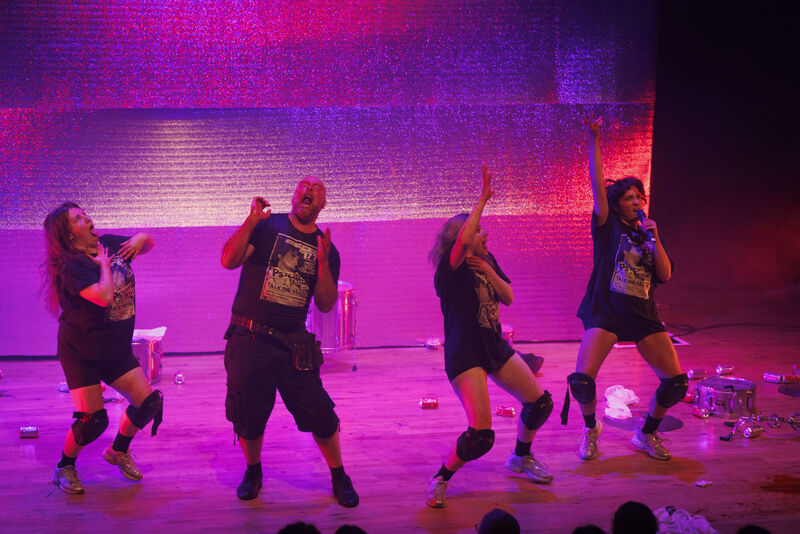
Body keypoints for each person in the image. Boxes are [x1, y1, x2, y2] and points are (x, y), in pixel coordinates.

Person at [220, 176, 358, 508]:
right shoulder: (268, 226)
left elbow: (325, 303)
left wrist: (323, 263)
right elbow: (228, 259)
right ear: (295, 196)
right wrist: (251, 220)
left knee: (320, 411)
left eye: (317, 189)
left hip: (293, 342)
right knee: (248, 412)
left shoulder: (327, 248)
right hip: (250, 335)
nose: (307, 191)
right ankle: (253, 472)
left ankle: (340, 476)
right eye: (302, 187)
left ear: (323, 203)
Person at [560, 114, 688, 461]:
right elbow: (596, 183)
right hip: (606, 313)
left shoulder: (646, 233)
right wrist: (594, 139)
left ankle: (646, 434)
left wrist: (655, 238)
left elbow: (665, 274)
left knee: (676, 383)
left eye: (639, 196)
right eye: (629, 197)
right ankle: (590, 430)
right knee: (582, 382)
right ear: (617, 203)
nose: (636, 201)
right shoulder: (606, 226)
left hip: (642, 315)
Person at [426, 168, 554, 509]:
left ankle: (521, 457)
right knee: (481, 434)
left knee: (540, 403)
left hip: (494, 348)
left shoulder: (486, 261)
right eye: (479, 232)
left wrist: (490, 271)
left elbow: (509, 296)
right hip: (465, 355)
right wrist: (482, 198)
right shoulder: (449, 270)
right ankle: (441, 477)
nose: (485, 236)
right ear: (463, 239)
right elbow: (464, 242)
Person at [42, 203, 161, 494]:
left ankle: (118, 451)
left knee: (149, 403)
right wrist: (105, 265)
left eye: (85, 214)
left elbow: (148, 244)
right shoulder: (72, 266)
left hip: (114, 347)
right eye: (79, 219)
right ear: (69, 235)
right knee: (93, 420)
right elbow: (105, 296)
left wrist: (139, 239)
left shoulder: (107, 243)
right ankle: (65, 466)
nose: (88, 219)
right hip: (81, 350)